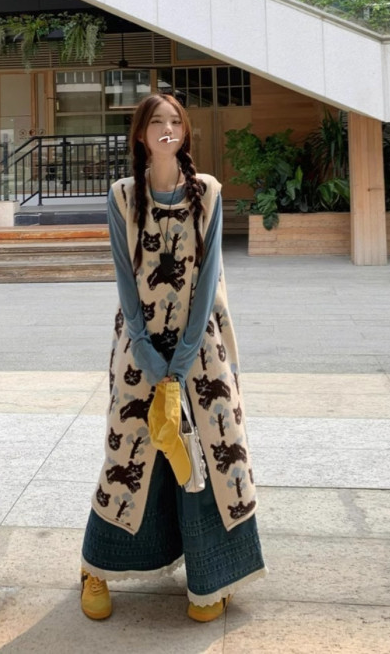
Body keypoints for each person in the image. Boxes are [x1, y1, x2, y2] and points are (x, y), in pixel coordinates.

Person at [80, 92, 266, 623]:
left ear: (184, 132)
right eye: (156, 122)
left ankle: (215, 577)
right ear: (141, 135)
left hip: (200, 346)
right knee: (128, 451)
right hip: (138, 348)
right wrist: (145, 351)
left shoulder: (208, 192)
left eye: (175, 121)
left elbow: (207, 282)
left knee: (217, 452)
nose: (167, 128)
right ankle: (96, 567)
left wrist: (181, 362)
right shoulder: (121, 196)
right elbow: (124, 277)